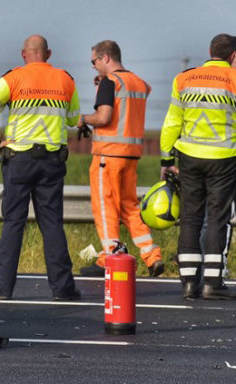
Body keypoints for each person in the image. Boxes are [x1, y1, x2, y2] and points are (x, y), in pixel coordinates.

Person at [0, 34, 80, 301]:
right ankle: (63, 289)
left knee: (13, 222)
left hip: (19, 160)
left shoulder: (13, 78)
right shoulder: (65, 79)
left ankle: (1, 288)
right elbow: (72, 118)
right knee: (52, 225)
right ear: (49, 53)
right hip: (52, 162)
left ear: (24, 54)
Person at [77, 40, 164, 277]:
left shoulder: (110, 82)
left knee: (105, 208)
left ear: (105, 58)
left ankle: (110, 258)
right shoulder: (136, 82)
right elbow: (146, 88)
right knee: (130, 207)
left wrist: (83, 118)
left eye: (94, 61)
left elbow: (103, 117)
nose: (93, 67)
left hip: (108, 155)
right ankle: (151, 255)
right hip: (131, 156)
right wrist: (106, 85)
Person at [160, 33, 236, 300]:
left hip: (189, 157)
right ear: (233, 56)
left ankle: (189, 282)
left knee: (190, 217)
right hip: (224, 158)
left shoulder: (184, 79)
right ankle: (212, 283)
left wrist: (166, 159)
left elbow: (172, 122)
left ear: (210, 51)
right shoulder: (234, 80)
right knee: (217, 218)